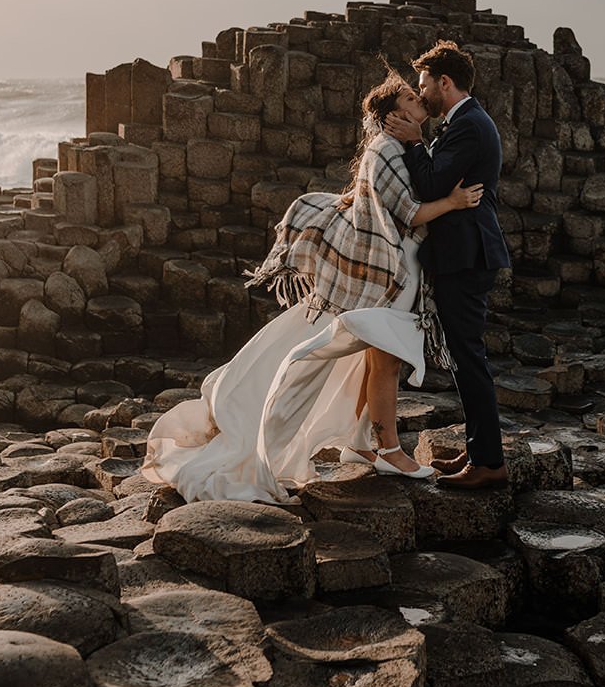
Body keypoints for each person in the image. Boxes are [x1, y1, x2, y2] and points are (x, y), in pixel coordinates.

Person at [140, 71, 484, 504]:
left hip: (397, 270)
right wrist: (452, 203)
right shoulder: (387, 151)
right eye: (412, 97)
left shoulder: (398, 148)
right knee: (387, 363)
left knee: (372, 362)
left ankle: (363, 444)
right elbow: (408, 213)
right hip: (390, 276)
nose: (420, 101)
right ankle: (391, 451)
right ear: (395, 114)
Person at [384, 40, 513, 490]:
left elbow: (433, 184)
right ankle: (480, 449)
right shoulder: (464, 122)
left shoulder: (470, 125)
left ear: (445, 82)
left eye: (424, 85)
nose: (421, 95)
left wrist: (415, 142)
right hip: (462, 252)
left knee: (468, 357)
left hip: (467, 254)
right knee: (463, 356)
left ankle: (489, 462)